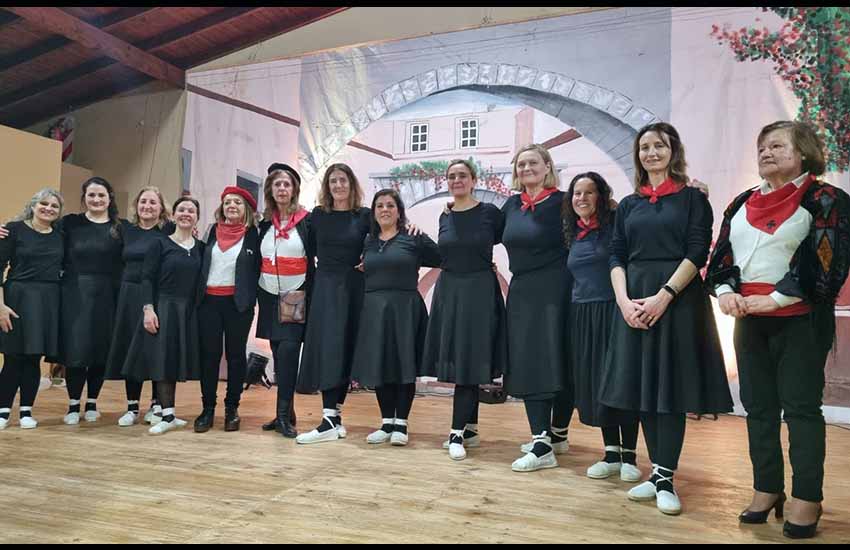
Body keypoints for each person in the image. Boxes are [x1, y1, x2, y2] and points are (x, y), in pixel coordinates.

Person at [706, 120, 850, 539]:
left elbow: (829, 263)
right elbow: (721, 258)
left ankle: (808, 495)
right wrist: (726, 291)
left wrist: (779, 298)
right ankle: (767, 488)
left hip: (800, 323)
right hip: (750, 322)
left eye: (777, 145)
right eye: (762, 147)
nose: (766, 152)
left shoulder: (826, 199)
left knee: (802, 410)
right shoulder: (741, 202)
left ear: (803, 152)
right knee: (758, 410)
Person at [599, 122, 733, 515]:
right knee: (644, 390)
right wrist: (624, 301)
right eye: (644, 147)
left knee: (670, 392)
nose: (651, 153)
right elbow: (616, 255)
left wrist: (664, 296)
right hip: (634, 299)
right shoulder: (628, 205)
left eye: (659, 146)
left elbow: (697, 252)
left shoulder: (693, 199)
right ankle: (657, 474)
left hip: (677, 301)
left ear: (673, 151)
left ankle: (665, 476)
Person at [421, 160, 506, 460]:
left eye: (462, 175)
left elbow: (502, 241)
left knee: (471, 361)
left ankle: (456, 432)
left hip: (479, 292)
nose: (456, 180)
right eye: (452, 176)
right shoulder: (444, 216)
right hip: (450, 292)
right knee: (460, 360)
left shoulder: (490, 213)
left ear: (473, 180)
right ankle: (469, 429)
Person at [562, 172, 642, 482]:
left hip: (613, 311)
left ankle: (630, 456)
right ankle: (610, 453)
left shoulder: (615, 228)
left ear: (601, 196)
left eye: (588, 192)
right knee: (597, 383)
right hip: (582, 314)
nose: (581, 198)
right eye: (576, 193)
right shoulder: (574, 232)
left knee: (620, 380)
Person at [500, 144, 574, 472]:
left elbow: (605, 218)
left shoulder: (564, 202)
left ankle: (553, 437)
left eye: (533, 162)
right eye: (521, 164)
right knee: (531, 362)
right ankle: (543, 437)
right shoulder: (511, 205)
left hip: (558, 287)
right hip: (523, 291)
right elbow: (477, 229)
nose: (526, 168)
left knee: (557, 359)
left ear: (547, 166)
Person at [350, 189, 441, 446]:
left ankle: (401, 423)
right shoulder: (368, 241)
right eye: (380, 205)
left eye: (390, 205)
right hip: (375, 309)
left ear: (399, 210)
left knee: (404, 365)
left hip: (405, 308)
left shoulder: (412, 237)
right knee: (380, 364)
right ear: (374, 211)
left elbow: (443, 258)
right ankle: (386, 421)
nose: (385, 210)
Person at [295, 164, 371, 444]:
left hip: (353, 287)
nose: (338, 185)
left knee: (345, 348)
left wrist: (369, 261)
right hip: (326, 287)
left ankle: (333, 418)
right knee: (329, 348)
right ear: (327, 187)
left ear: (352, 184)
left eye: (343, 180)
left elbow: (384, 237)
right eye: (333, 181)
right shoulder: (318, 216)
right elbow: (306, 247)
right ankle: (329, 418)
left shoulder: (364, 216)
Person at [122, 196, 204, 435]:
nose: (186, 213)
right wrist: (148, 308)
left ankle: (169, 413)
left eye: (191, 210)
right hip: (164, 307)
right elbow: (147, 278)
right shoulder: (160, 244)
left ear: (197, 216)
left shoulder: (200, 247)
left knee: (175, 360)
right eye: (181, 209)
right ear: (174, 215)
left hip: (187, 310)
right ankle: (166, 415)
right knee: (163, 361)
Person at [194, 187, 261, 433]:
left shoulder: (254, 234)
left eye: (237, 203)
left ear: (247, 209)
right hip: (209, 303)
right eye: (227, 202)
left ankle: (232, 408)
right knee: (209, 356)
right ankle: (207, 409)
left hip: (238, 305)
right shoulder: (211, 231)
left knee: (235, 356)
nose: (231, 206)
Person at [60, 177, 125, 425]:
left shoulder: (121, 228)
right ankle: (73, 404)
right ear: (84, 198)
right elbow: (38, 229)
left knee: (100, 350)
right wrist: (7, 230)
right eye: (91, 195)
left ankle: (92, 403)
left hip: (108, 295)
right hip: (75, 294)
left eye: (101, 195)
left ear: (110, 197)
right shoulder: (70, 223)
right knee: (76, 350)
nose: (96, 200)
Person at [104, 187, 171, 427]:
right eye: (143, 202)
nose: (148, 206)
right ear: (136, 205)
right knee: (129, 350)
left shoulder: (168, 232)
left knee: (153, 349)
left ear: (161, 208)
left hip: (157, 295)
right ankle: (132, 407)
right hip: (128, 295)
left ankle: (156, 404)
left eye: (153, 202)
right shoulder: (125, 231)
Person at [257, 164, 313, 438]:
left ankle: (282, 417)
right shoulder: (264, 223)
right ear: (270, 190)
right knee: (278, 355)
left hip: (294, 295)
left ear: (294, 191)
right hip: (268, 294)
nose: (281, 189)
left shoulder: (306, 220)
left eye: (286, 185)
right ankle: (285, 412)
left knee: (289, 354)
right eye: (277, 184)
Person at [0, 189, 64, 430]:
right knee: (13, 357)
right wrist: (1, 306)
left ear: (59, 212)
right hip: (16, 297)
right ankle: (3, 411)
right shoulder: (13, 230)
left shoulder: (60, 235)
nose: (48, 208)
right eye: (44, 203)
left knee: (33, 358)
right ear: (33, 205)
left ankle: (27, 410)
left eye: (54, 206)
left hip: (47, 300)